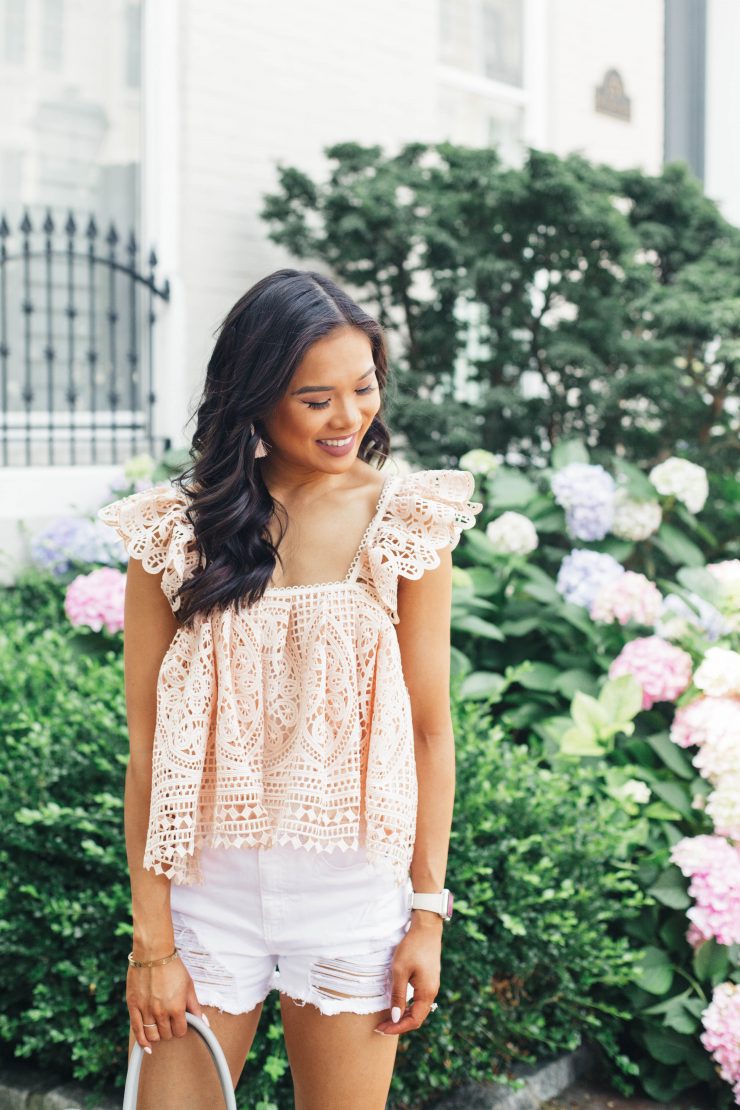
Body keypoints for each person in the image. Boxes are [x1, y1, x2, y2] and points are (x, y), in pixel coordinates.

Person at [97, 268, 482, 1109]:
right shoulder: (174, 531)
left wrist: (427, 914)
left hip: (352, 898)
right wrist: (152, 941)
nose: (349, 418)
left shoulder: (406, 519)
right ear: (256, 397)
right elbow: (150, 748)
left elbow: (428, 730)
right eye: (316, 399)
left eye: (363, 387)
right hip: (205, 897)